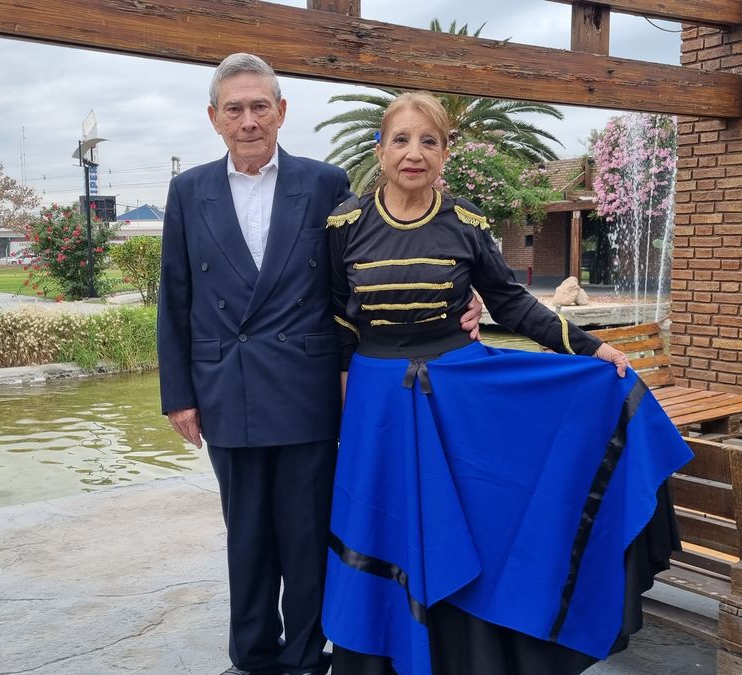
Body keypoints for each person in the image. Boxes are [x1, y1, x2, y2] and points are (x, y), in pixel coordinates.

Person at [322, 92, 694, 675]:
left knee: (468, 522)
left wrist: (593, 349)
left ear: (445, 153)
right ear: (379, 148)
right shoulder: (345, 224)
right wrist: (346, 387)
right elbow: (338, 318)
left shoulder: (466, 223)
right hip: (375, 400)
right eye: (401, 140)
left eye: (429, 141)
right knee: (381, 519)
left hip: (454, 396)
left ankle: (460, 655)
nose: (413, 153)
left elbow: (514, 307)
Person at [157, 57, 483, 675]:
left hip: (311, 388)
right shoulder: (187, 189)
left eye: (261, 107)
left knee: (307, 532)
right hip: (227, 388)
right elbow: (175, 296)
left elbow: (384, 245)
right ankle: (253, 657)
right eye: (235, 109)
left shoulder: (326, 182)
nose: (249, 120)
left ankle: (307, 656)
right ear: (214, 118)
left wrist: (463, 289)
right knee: (247, 536)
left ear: (282, 112)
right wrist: (179, 393)